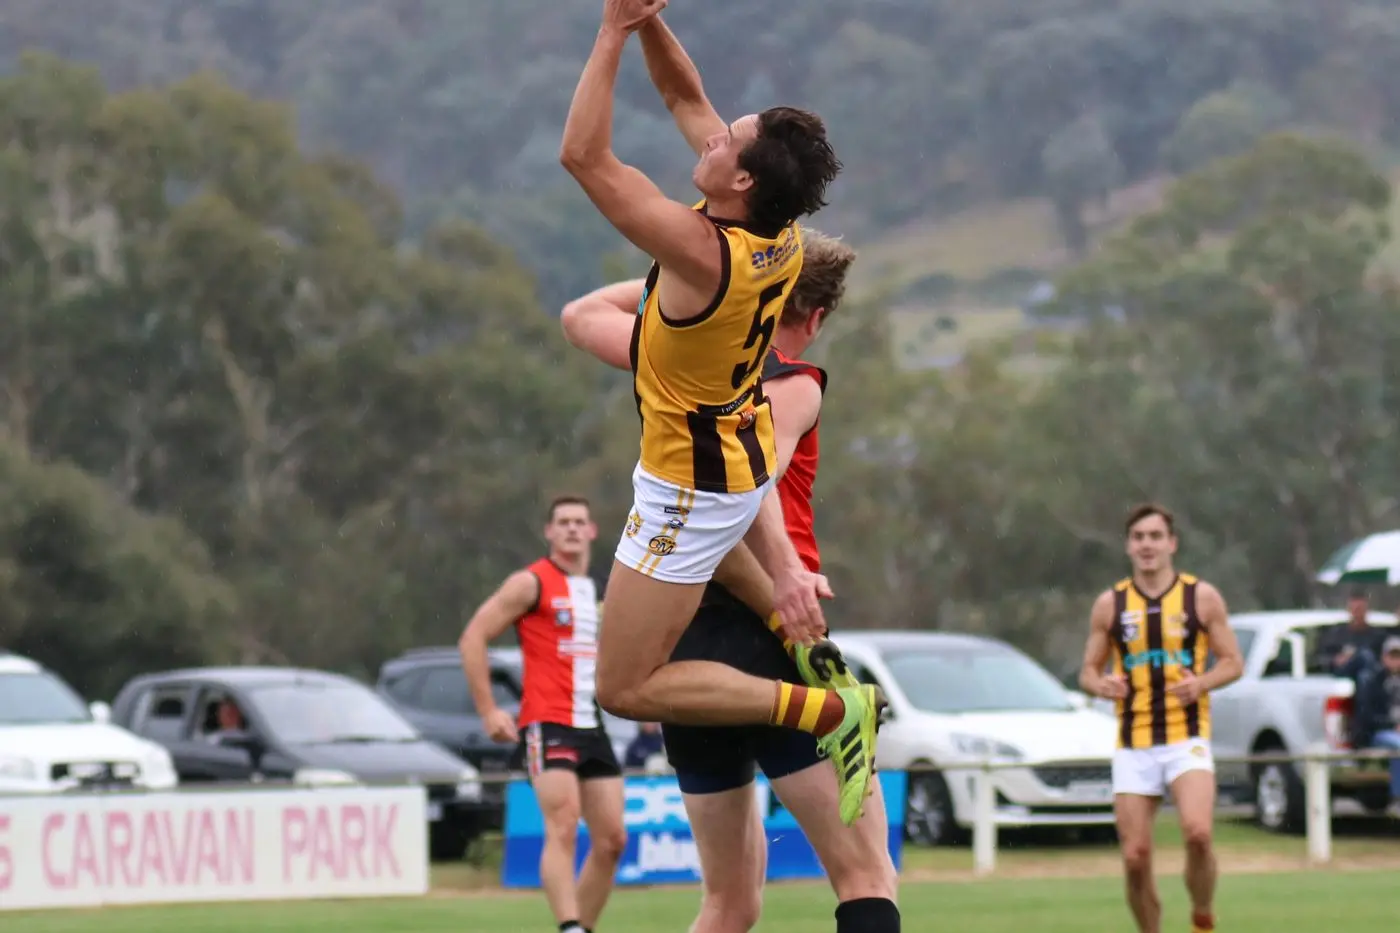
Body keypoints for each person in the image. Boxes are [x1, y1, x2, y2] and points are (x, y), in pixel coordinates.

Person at [558, 0, 881, 826]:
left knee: (625, 686)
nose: (710, 135)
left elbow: (584, 157)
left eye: (724, 141)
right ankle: (812, 645)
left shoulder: (702, 256)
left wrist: (608, 33)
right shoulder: (782, 229)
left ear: (742, 180)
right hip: (730, 461)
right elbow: (681, 97)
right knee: (766, 582)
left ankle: (827, 711)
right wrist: (647, 20)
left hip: (687, 490)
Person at [562, 232, 900, 933]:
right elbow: (743, 486)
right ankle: (830, 709)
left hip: (679, 636)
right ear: (815, 318)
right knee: (865, 875)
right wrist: (783, 596)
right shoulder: (793, 381)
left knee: (730, 903)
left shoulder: (674, 359)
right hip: (772, 635)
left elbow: (582, 313)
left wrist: (695, 284)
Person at [458, 496, 626, 933]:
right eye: (563, 522)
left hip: (593, 723)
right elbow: (473, 637)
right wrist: (488, 710)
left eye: (579, 522)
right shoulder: (530, 583)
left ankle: (580, 928)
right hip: (547, 721)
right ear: (549, 532)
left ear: (591, 531)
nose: (571, 529)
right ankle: (568, 923)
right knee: (564, 822)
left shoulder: (605, 588)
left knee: (612, 841)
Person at [1078, 504, 1245, 933]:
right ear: (1128, 545)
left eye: (1155, 536)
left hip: (1185, 737)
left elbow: (1233, 663)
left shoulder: (1200, 597)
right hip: (1134, 743)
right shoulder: (1110, 604)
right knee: (1135, 858)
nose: (1146, 545)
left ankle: (1202, 917)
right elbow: (1087, 673)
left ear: (1171, 543)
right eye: (1138, 537)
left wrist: (1201, 683)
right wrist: (1102, 686)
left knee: (1198, 834)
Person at [1354, 635, 1400, 819]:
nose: (1396, 660)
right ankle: (1398, 798)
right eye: (1392, 655)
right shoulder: (1372, 681)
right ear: (1384, 657)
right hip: (1379, 733)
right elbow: (1367, 717)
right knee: (1398, 747)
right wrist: (1393, 725)